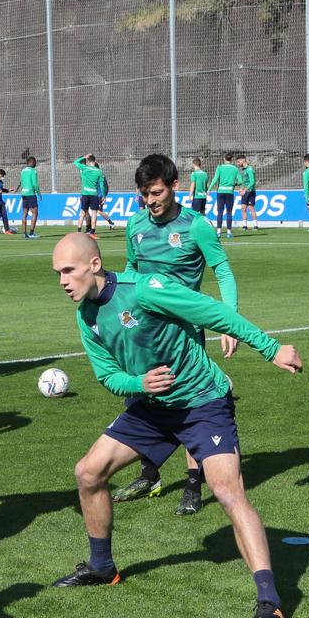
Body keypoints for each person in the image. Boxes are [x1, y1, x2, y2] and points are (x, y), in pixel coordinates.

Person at [49, 232, 302, 618]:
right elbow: (106, 375)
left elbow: (212, 313)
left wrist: (271, 349)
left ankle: (269, 600)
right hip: (151, 407)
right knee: (88, 473)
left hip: (202, 402)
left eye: (68, 270)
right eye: (57, 273)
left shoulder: (145, 290)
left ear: (94, 264)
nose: (62, 280)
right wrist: (138, 383)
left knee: (227, 491)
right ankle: (102, 567)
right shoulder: (86, 315)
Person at [113, 154, 239, 516]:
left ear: (174, 186)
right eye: (144, 194)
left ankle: (193, 484)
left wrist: (228, 320)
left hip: (184, 334)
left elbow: (223, 271)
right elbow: (130, 271)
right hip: (143, 332)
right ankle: (148, 473)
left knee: (189, 404)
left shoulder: (196, 226)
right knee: (141, 397)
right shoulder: (135, 224)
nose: (150, 201)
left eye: (156, 193)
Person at [73, 154, 113, 235]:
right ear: (95, 161)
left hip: (84, 194)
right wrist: (104, 196)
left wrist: (84, 156)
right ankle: (92, 232)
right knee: (94, 213)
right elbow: (102, 185)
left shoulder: (84, 168)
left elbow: (75, 162)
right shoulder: (99, 171)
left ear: (88, 161)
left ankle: (79, 232)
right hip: (94, 194)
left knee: (83, 213)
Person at [213, 153, 239, 239]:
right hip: (230, 192)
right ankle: (228, 232)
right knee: (229, 212)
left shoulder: (219, 167)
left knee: (220, 211)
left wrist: (209, 188)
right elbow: (240, 181)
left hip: (220, 191)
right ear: (231, 159)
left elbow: (215, 178)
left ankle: (218, 232)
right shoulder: (235, 168)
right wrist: (234, 183)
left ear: (224, 159)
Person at [19, 156, 41, 239]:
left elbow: (21, 182)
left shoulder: (23, 171)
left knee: (24, 213)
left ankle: (24, 233)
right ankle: (31, 233)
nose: (35, 163)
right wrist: (38, 193)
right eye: (35, 162)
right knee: (35, 213)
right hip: (31, 193)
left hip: (24, 193)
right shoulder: (33, 171)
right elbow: (35, 184)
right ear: (32, 162)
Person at [237, 154, 258, 231]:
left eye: (238, 161)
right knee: (243, 208)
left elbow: (252, 182)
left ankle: (255, 225)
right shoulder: (243, 170)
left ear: (243, 160)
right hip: (245, 191)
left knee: (251, 208)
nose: (238, 163)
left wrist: (245, 190)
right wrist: (241, 188)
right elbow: (244, 182)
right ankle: (245, 225)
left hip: (250, 191)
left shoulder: (249, 169)